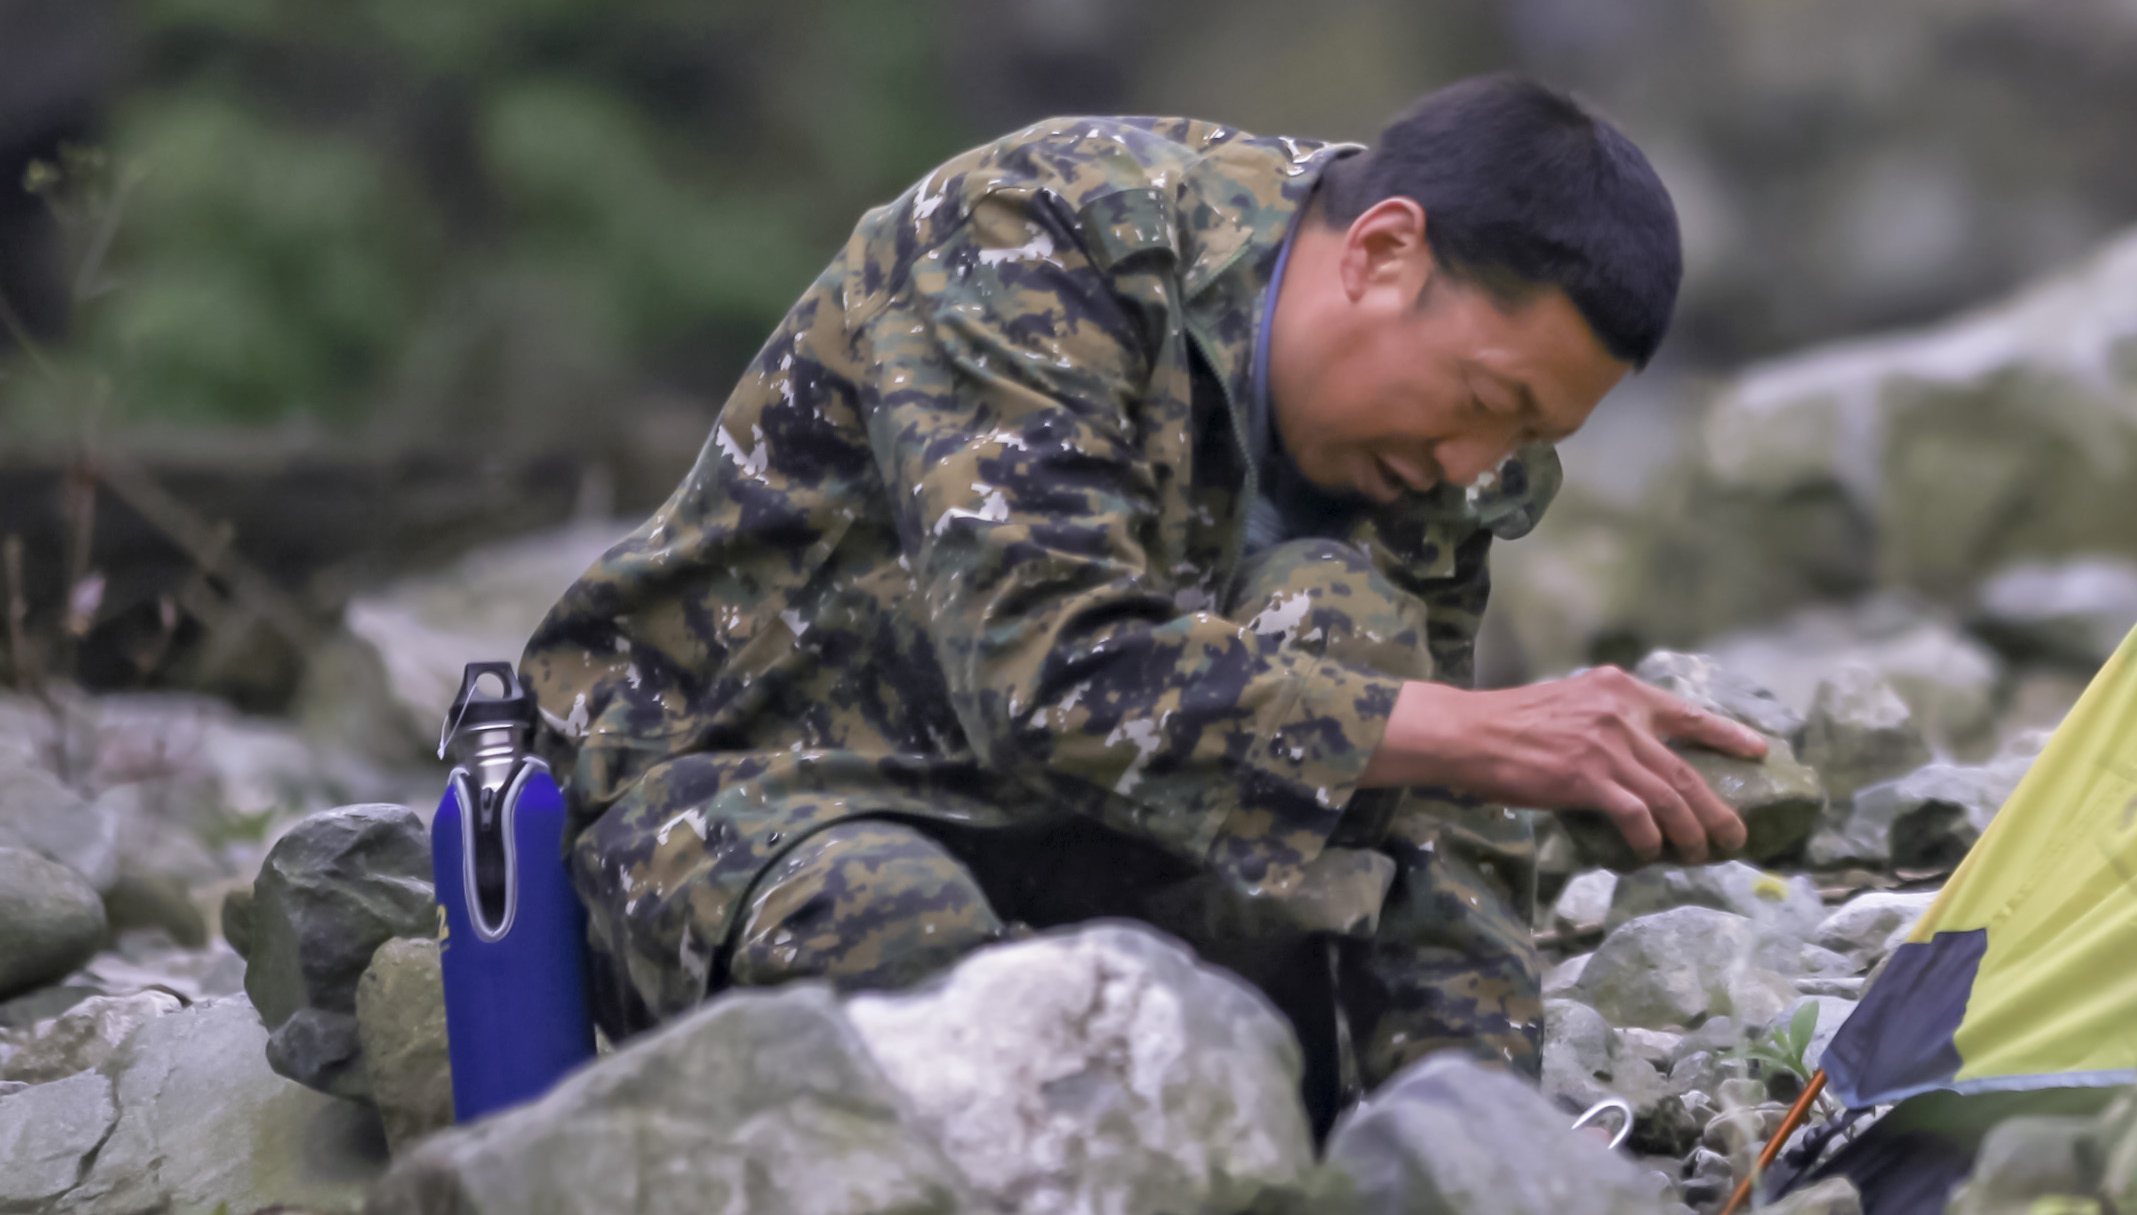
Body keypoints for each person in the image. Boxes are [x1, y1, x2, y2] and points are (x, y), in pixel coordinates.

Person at [528, 76, 1766, 1096]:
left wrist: (1468, 1134)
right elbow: (1050, 676)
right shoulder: (1037, 239)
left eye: (1525, 438)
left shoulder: (1426, 450)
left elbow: (1428, 808)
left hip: (1085, 826)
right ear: (1384, 254)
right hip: (763, 791)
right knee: (914, 967)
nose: (1472, 465)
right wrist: (1482, 733)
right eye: (1489, 401)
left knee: (1345, 619)